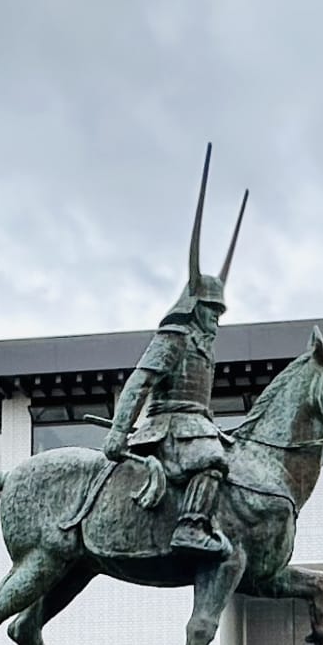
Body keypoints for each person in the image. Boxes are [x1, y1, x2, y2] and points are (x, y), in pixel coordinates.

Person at [104, 147, 246, 557]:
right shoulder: (175, 338)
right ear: (193, 307)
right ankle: (189, 527)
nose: (216, 319)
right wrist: (118, 431)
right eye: (210, 310)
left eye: (219, 312)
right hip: (167, 427)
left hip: (197, 424)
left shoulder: (205, 347)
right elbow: (140, 381)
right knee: (211, 461)